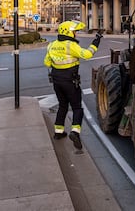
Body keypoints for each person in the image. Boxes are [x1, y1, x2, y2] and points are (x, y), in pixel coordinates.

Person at [43, 20, 102, 150]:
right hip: (70, 82)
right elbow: (87, 55)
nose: (76, 34)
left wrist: (58, 61)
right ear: (69, 32)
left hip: (57, 82)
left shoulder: (52, 45)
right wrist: (95, 42)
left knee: (62, 105)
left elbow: (47, 63)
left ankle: (58, 132)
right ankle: (75, 132)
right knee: (77, 108)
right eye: (75, 32)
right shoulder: (70, 45)